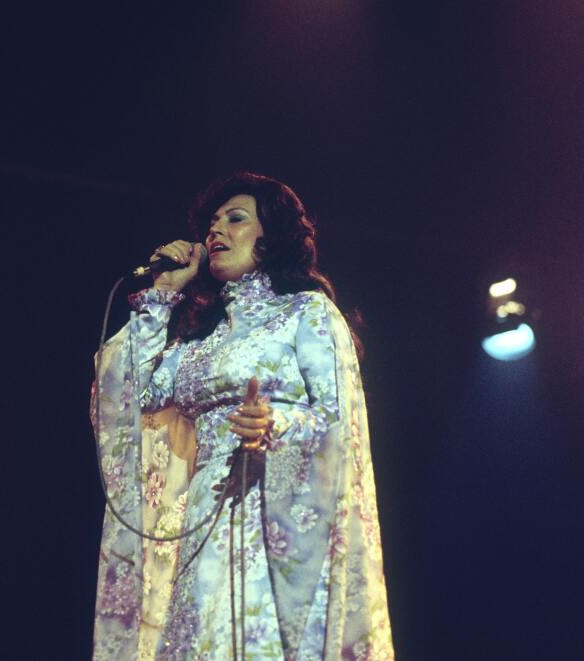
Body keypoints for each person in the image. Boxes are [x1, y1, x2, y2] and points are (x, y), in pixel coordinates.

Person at [91, 172, 393, 660]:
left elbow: (340, 421)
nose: (216, 232)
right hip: (202, 524)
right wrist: (164, 292)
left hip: (277, 522)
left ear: (272, 236)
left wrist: (275, 424)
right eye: (211, 224)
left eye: (236, 219)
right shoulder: (197, 342)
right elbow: (125, 396)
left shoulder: (307, 313)